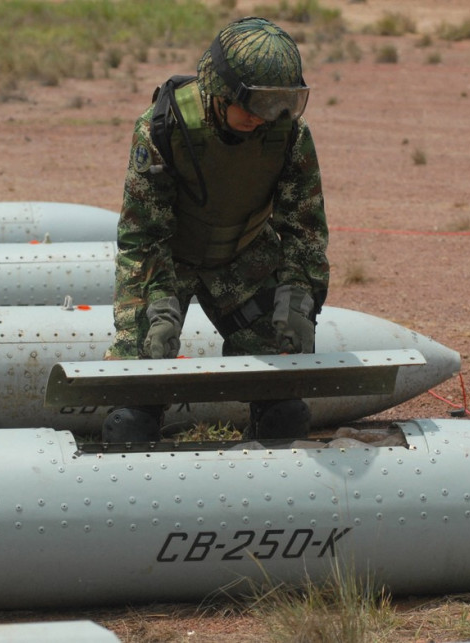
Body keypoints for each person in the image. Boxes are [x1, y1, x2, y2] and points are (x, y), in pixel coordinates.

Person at [103, 16, 330, 443]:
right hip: (167, 263)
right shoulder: (162, 130)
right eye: (253, 105)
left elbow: (304, 229)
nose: (262, 117)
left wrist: (300, 299)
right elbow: (142, 237)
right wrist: (159, 307)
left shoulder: (288, 135)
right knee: (132, 410)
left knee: (284, 407)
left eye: (274, 105)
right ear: (220, 91)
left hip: (245, 260)